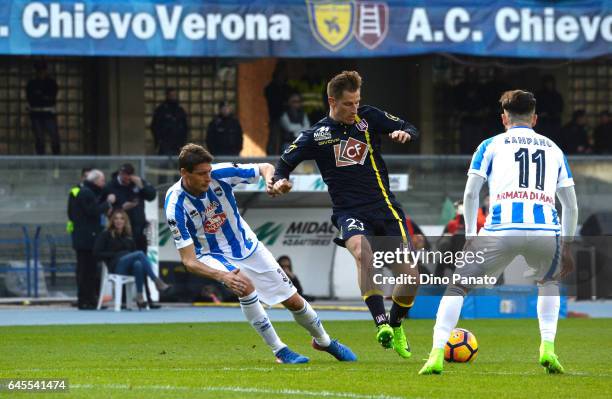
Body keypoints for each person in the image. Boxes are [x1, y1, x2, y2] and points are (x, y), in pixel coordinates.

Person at [419, 90, 578, 375]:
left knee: (457, 286)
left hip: (501, 229)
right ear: (535, 118)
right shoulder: (554, 148)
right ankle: (548, 348)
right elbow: (570, 205)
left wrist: (470, 236)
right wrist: (566, 244)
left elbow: (470, 195)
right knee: (549, 284)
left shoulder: (489, 145)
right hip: (545, 229)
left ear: (504, 118)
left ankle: (435, 354)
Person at [269, 70, 420, 359]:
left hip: (385, 208)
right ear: (332, 101)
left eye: (357, 102)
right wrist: (279, 181)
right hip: (349, 211)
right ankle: (381, 324)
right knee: (363, 254)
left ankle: (396, 324)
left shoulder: (370, 117)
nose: (354, 109)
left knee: (411, 276)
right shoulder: (316, 135)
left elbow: (409, 127)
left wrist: (404, 133)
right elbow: (284, 163)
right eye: (348, 104)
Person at [164, 143, 356, 364]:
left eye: (208, 172)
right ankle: (280, 350)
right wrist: (223, 276)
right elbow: (189, 260)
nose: (208, 178)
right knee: (244, 286)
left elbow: (264, 167)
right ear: (184, 173)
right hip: (212, 254)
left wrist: (271, 182)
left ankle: (324, 341)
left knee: (294, 301)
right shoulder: (175, 205)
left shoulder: (220, 173)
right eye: (201, 174)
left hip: (248, 246)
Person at [94, 209, 170, 309]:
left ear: (125, 221)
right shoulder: (106, 234)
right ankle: (156, 281)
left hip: (128, 267)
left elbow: (132, 254)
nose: (119, 221)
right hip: (115, 266)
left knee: (138, 264)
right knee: (140, 254)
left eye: (121, 219)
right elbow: (96, 253)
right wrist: (116, 254)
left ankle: (139, 296)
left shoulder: (128, 236)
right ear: (112, 221)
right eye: (116, 218)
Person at [71, 170, 116, 310]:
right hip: (86, 240)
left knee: (90, 271)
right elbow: (92, 210)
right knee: (86, 271)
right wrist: (108, 203)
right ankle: (84, 300)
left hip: (86, 238)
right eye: (102, 181)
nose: (103, 184)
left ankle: (90, 299)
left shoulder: (88, 191)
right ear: (95, 181)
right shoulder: (86, 192)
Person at [26, 61, 60, 155]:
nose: (41, 73)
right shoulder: (32, 83)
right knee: (39, 138)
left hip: (49, 113)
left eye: (42, 70)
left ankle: (57, 160)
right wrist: (41, 97)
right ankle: (41, 161)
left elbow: (51, 97)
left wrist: (41, 97)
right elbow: (31, 98)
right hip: (36, 113)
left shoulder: (51, 83)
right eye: (39, 71)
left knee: (54, 137)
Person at [151, 88, 189, 156]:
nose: (173, 97)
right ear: (167, 96)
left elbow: (185, 127)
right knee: (164, 163)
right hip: (165, 145)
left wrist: (183, 142)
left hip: (178, 145)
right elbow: (154, 126)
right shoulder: (161, 110)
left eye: (174, 95)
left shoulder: (180, 110)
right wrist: (159, 140)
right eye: (171, 95)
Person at [265, 61, 291, 155]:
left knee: (287, 138)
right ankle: (271, 157)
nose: (282, 76)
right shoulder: (271, 88)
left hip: (287, 117)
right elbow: (273, 101)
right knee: (274, 138)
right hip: (275, 116)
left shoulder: (286, 88)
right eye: (280, 74)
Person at [535, 76, 564, 143]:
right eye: (547, 83)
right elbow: (536, 107)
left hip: (554, 121)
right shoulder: (539, 95)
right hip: (542, 122)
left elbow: (560, 108)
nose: (549, 85)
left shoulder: (557, 95)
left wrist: (552, 113)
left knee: (555, 139)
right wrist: (541, 113)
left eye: (550, 83)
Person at [66, 167, 92, 234]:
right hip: (78, 226)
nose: (88, 179)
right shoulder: (75, 190)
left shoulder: (95, 190)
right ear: (82, 177)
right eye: (86, 176)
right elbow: (70, 209)